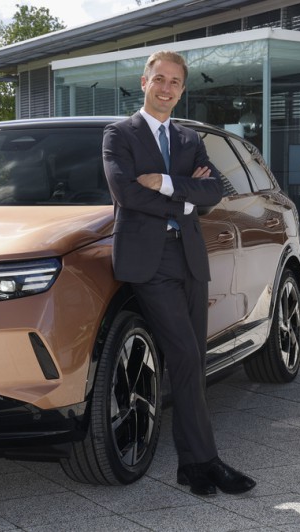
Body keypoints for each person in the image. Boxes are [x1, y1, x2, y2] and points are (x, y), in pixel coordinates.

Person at [102, 50, 256, 496]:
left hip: (190, 256)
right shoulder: (120, 134)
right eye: (159, 79)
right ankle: (207, 460)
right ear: (144, 81)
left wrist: (167, 184)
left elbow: (213, 192)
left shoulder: (189, 140)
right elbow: (125, 193)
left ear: (182, 90)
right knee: (186, 356)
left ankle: (191, 467)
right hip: (148, 262)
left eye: (175, 82)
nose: (166, 88)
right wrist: (187, 197)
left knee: (194, 361)